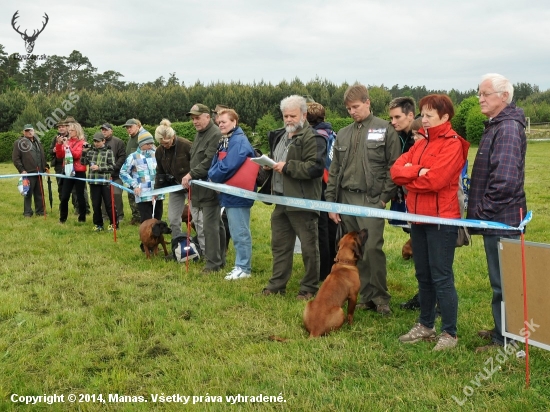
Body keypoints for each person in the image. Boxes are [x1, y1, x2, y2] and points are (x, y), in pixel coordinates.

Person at [391, 94, 469, 351]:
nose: (423, 120)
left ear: (445, 117)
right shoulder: (421, 142)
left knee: (441, 276)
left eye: (428, 116)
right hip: (418, 218)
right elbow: (396, 171)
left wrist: (413, 176)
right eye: (422, 115)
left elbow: (435, 181)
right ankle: (426, 325)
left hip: (441, 221)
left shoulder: (453, 145)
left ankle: (449, 333)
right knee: (423, 274)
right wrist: (416, 171)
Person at [325, 83, 401, 314]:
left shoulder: (386, 130)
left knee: (372, 250)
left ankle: (380, 297)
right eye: (348, 109)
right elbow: (335, 169)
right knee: (354, 251)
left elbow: (394, 167)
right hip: (345, 199)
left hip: (371, 200)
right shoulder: (344, 133)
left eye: (356, 107)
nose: (352, 112)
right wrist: (331, 203)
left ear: (368, 102)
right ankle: (364, 294)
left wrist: (382, 198)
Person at [466, 73, 527, 352]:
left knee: (506, 282)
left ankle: (509, 340)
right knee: (499, 280)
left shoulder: (508, 128)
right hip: (496, 218)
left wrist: (481, 211)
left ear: (503, 96)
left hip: (501, 220)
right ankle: (500, 330)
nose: (480, 98)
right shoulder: (497, 125)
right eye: (479, 93)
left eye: (485, 94)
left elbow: (504, 181)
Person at [261, 95, 326, 300]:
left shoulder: (314, 138)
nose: (288, 119)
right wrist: (270, 165)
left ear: (304, 115)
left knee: (308, 248)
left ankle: (308, 288)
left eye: (292, 115)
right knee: (280, 245)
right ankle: (277, 284)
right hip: (280, 200)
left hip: (302, 201)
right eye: (285, 116)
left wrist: (287, 167)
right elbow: (278, 162)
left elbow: (315, 167)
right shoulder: (280, 136)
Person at [208, 108, 255, 280]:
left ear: (234, 122)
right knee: (235, 230)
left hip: (238, 193)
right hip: (230, 192)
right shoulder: (227, 140)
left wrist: (213, 177)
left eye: (224, 122)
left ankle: (244, 268)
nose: (220, 125)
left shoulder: (239, 141)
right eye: (219, 122)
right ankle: (240, 265)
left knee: (240, 231)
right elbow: (217, 161)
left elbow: (229, 165)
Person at [181, 104, 226, 274]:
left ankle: (213, 263)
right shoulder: (200, 134)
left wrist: (190, 174)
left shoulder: (215, 134)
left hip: (210, 188)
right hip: (200, 189)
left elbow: (208, 162)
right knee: (217, 225)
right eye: (192, 118)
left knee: (210, 226)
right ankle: (219, 260)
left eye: (198, 117)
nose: (194, 121)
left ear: (208, 117)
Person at [388, 97, 421, 310]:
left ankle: (430, 297)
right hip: (404, 197)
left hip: (419, 201)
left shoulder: (419, 137)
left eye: (397, 117)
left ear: (411, 115)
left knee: (425, 251)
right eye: (390, 117)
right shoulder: (399, 136)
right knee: (416, 243)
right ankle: (423, 294)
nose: (393, 121)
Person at [306, 102, 337, 281]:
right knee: (332, 227)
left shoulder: (316, 136)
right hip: (333, 184)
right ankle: (333, 265)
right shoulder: (332, 132)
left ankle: (323, 271)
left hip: (322, 184)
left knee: (321, 229)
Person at [154, 119, 192, 239]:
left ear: (173, 136)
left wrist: (191, 176)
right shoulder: (159, 151)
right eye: (162, 143)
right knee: (173, 219)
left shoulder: (186, 145)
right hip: (175, 187)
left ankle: (203, 247)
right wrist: (156, 191)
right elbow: (159, 172)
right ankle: (178, 244)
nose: (165, 145)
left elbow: (198, 164)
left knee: (198, 218)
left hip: (193, 186)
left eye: (167, 142)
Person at [81, 132, 117, 232]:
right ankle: (98, 224)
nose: (96, 143)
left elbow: (112, 166)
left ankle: (114, 223)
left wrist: (99, 168)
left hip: (105, 182)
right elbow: (83, 162)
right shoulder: (90, 151)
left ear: (103, 141)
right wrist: (84, 152)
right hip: (93, 182)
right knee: (96, 204)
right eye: (95, 141)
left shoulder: (108, 152)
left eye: (98, 141)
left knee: (109, 204)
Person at [55, 121, 88, 223]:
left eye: (72, 130)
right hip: (67, 171)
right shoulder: (67, 142)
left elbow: (77, 155)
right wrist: (59, 144)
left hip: (79, 171)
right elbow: (60, 156)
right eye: (69, 130)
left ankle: (82, 218)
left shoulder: (83, 143)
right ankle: (62, 218)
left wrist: (67, 147)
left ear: (77, 131)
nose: (69, 132)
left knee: (80, 195)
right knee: (64, 196)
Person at [12, 124, 47, 217]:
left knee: (40, 193)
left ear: (34, 131)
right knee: (28, 193)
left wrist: (45, 166)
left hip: (39, 172)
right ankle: (27, 212)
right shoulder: (19, 143)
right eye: (27, 131)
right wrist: (22, 170)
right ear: (24, 132)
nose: (29, 132)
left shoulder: (38, 142)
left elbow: (41, 156)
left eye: (31, 130)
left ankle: (40, 211)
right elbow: (15, 158)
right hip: (28, 173)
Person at [124, 118, 152, 225]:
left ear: (137, 125)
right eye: (127, 127)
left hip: (141, 174)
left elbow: (149, 151)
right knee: (132, 195)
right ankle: (136, 216)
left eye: (130, 127)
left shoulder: (142, 136)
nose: (128, 129)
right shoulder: (131, 137)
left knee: (141, 196)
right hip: (131, 173)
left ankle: (143, 218)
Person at [100, 123, 126, 222]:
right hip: (102, 175)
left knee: (117, 194)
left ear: (111, 131)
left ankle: (119, 216)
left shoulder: (118, 142)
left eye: (106, 130)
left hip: (116, 175)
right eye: (102, 130)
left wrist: (114, 168)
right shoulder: (99, 142)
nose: (104, 131)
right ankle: (105, 216)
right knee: (103, 196)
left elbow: (122, 156)